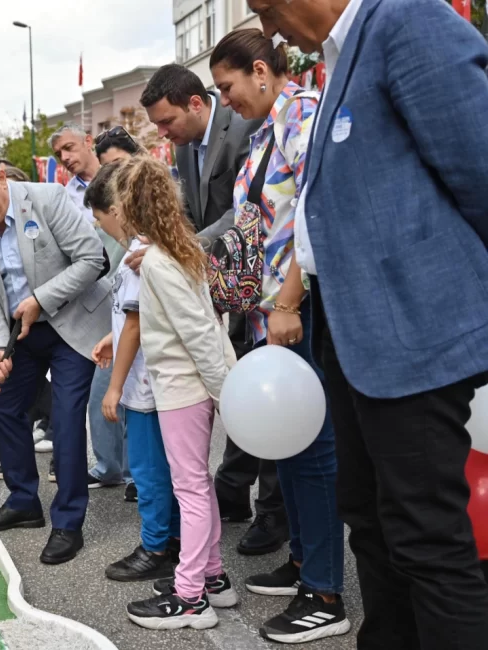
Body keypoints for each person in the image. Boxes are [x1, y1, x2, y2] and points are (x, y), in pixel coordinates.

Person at [254, 1, 488, 648]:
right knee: (372, 522)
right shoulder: (339, 58)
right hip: (356, 337)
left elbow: (480, 168)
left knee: (427, 539)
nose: (269, 28)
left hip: (417, 337)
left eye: (265, 8)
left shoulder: (407, 21)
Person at [209, 29, 348, 644]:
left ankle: (325, 592)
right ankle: (302, 562)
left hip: (304, 307)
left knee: (312, 447)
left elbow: (313, 213)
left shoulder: (304, 117)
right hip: (272, 310)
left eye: (227, 86)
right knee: (288, 445)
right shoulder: (265, 132)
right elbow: (254, 224)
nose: (226, 99)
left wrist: (288, 299)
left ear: (260, 70)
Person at [140, 63, 287, 557]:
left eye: (166, 122)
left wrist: (184, 249)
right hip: (219, 285)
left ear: (197, 103)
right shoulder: (184, 145)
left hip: (264, 282)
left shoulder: (245, 126)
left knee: (260, 398)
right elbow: (191, 210)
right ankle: (236, 495)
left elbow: (242, 210)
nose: (162, 133)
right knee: (238, 383)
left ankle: (271, 512)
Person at [0, 149, 111, 565]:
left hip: (71, 322)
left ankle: (68, 522)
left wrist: (41, 299)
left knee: (67, 415)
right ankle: (23, 500)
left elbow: (94, 259)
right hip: (20, 328)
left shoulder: (48, 199)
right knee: (3, 403)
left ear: (1, 177)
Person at [115, 156, 238, 631]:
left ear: (132, 207)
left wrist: (224, 390)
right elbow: (207, 324)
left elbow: (199, 333)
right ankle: (211, 577)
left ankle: (191, 597)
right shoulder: (178, 251)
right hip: (190, 387)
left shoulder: (162, 264)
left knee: (189, 489)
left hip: (183, 390)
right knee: (198, 485)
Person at [86, 162, 181, 584]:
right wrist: (112, 336)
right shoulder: (162, 244)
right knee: (170, 467)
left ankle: (156, 545)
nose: (98, 223)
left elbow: (137, 323)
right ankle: (174, 539)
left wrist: (115, 387)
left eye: (99, 215)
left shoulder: (139, 255)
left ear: (118, 209)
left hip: (145, 386)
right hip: (164, 379)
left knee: (147, 469)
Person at [50, 123, 131, 494]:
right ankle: (110, 465)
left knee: (136, 390)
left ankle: (139, 472)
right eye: (57, 154)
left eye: (69, 147)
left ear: (87, 142)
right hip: (93, 304)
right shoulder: (66, 197)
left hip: (137, 292)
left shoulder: (129, 180)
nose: (65, 158)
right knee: (103, 388)